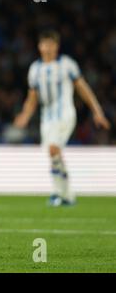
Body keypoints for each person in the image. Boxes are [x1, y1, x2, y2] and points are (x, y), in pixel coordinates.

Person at [14, 30, 110, 206]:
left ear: (57, 46)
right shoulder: (35, 69)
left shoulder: (67, 65)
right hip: (47, 118)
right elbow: (32, 97)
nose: (48, 47)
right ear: (39, 46)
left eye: (51, 44)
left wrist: (97, 111)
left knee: (53, 149)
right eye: (45, 44)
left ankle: (62, 193)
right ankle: (64, 195)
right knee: (53, 155)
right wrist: (25, 115)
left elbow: (83, 88)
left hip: (65, 114)